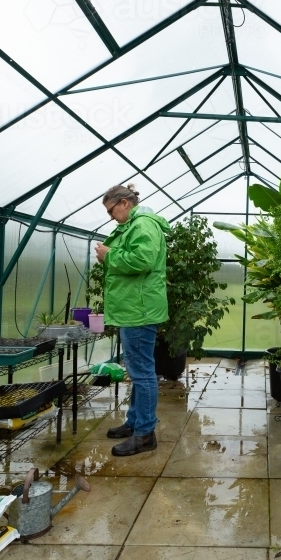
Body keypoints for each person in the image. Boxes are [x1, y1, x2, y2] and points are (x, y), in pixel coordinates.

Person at [94, 184, 170, 456]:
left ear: (124, 203)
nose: (111, 217)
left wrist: (109, 255)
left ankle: (145, 433)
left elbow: (143, 260)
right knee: (139, 370)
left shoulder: (143, 225)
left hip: (139, 310)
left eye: (111, 210)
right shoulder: (135, 225)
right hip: (134, 308)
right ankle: (136, 422)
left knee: (142, 373)